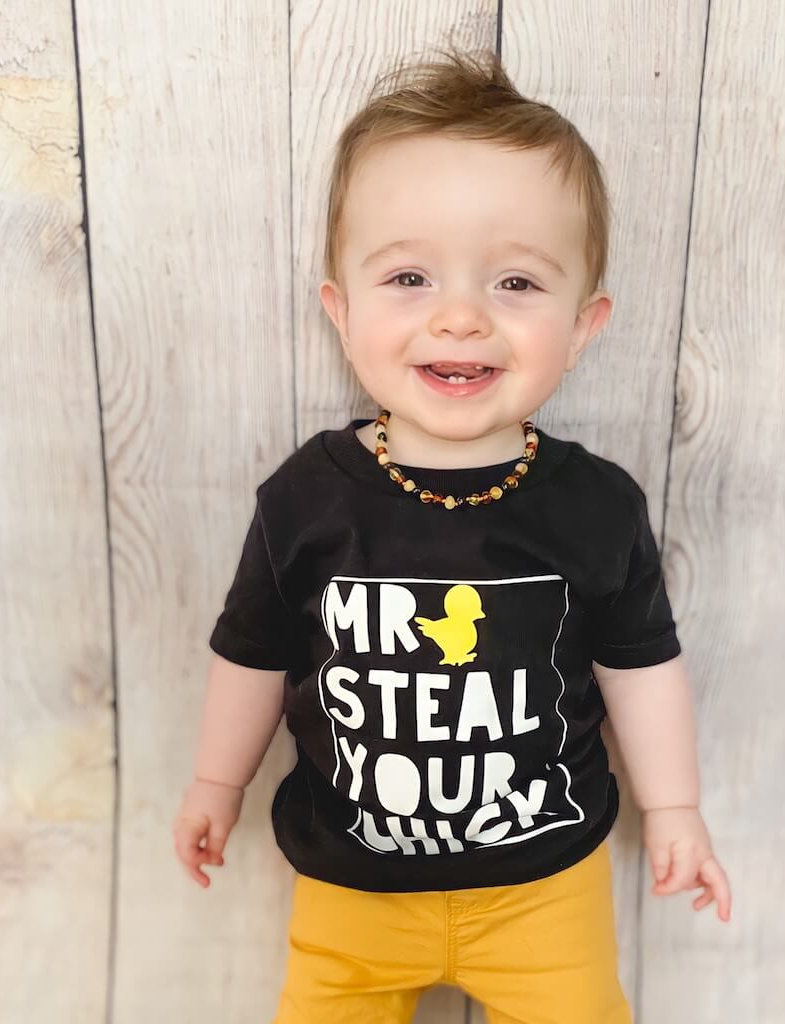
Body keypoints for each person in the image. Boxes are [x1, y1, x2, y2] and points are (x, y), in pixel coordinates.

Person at [173, 46, 731, 1024]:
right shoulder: (307, 498)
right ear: (340, 314)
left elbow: (642, 665)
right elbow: (253, 652)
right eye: (410, 277)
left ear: (584, 322)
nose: (462, 315)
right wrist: (215, 779)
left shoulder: (595, 505)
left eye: (516, 283)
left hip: (542, 890)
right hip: (350, 885)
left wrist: (674, 805)